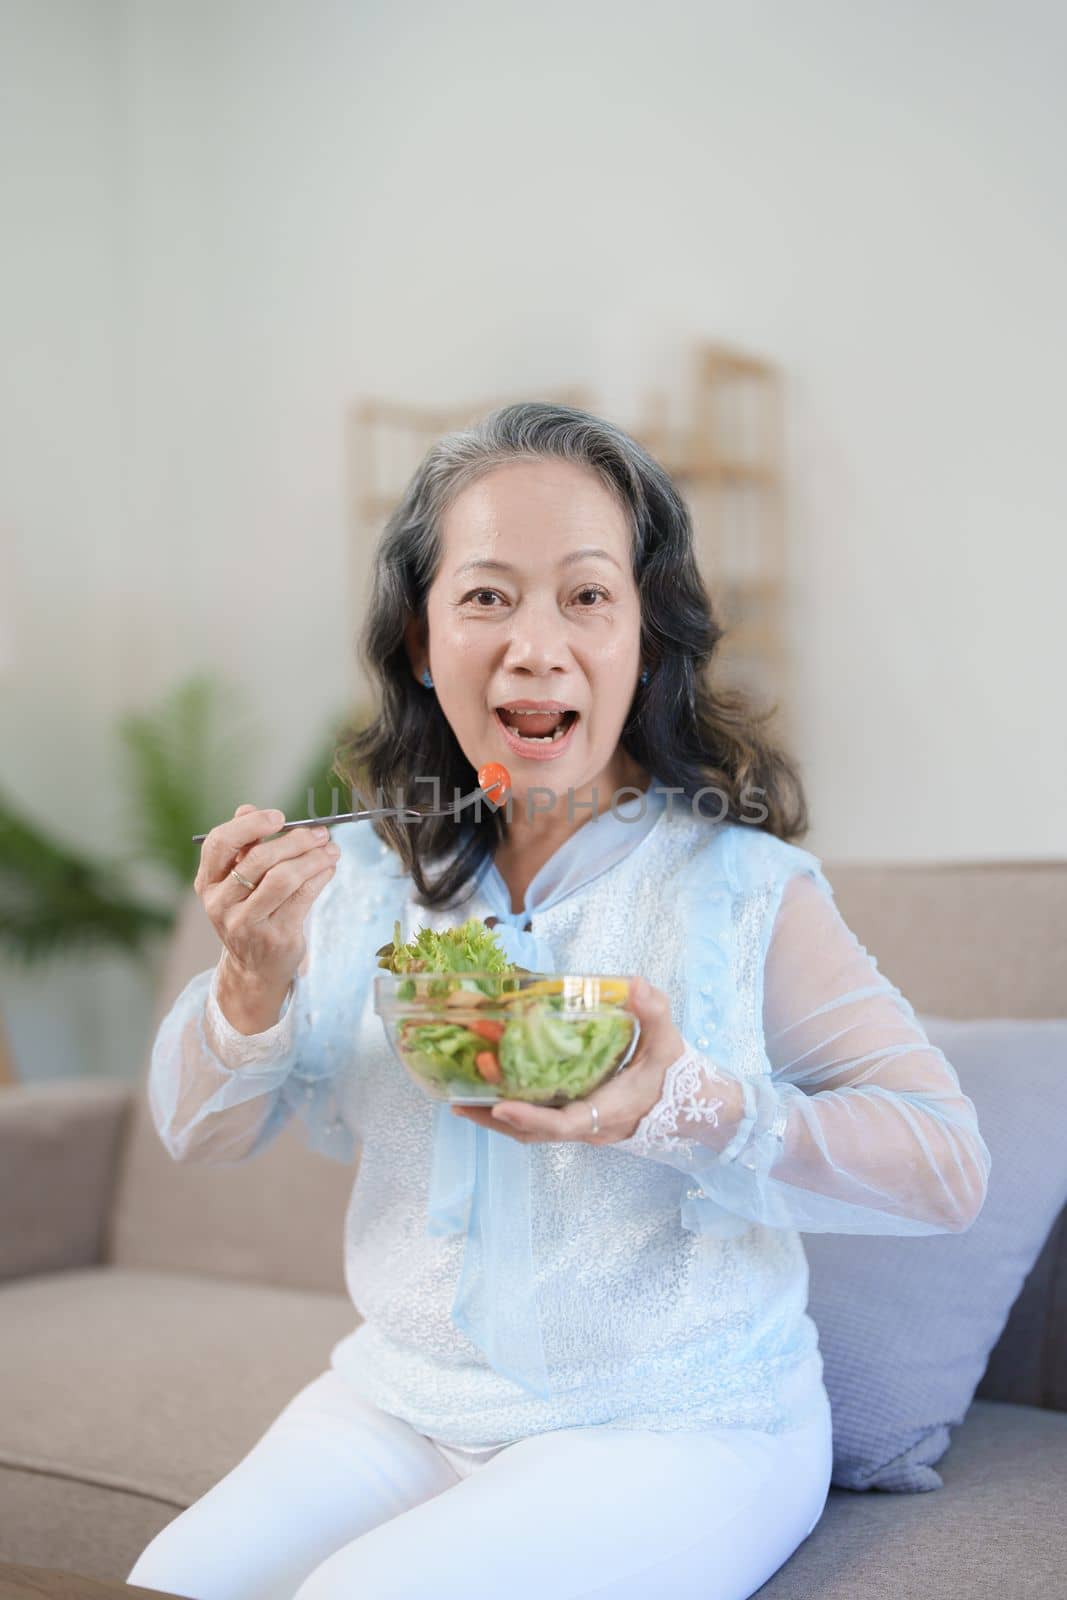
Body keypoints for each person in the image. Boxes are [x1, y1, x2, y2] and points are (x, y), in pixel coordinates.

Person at [127, 402, 991, 1600]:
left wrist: (683, 1103)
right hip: (396, 1403)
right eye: (485, 597)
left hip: (677, 1425)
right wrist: (248, 978)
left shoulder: (742, 890)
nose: (535, 646)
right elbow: (195, 1129)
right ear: (422, 644)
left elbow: (946, 1165)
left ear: (644, 641)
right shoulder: (364, 880)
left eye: (586, 596)